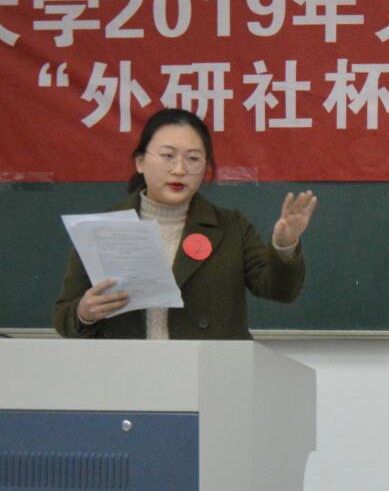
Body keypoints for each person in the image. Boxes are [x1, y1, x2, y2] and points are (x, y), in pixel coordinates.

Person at [53, 107, 317, 339]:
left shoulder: (231, 227)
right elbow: (64, 318)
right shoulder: (104, 228)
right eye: (168, 156)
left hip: (209, 371)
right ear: (141, 162)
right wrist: (85, 312)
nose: (179, 169)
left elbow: (279, 290)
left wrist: (285, 245)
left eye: (192, 159)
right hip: (129, 372)